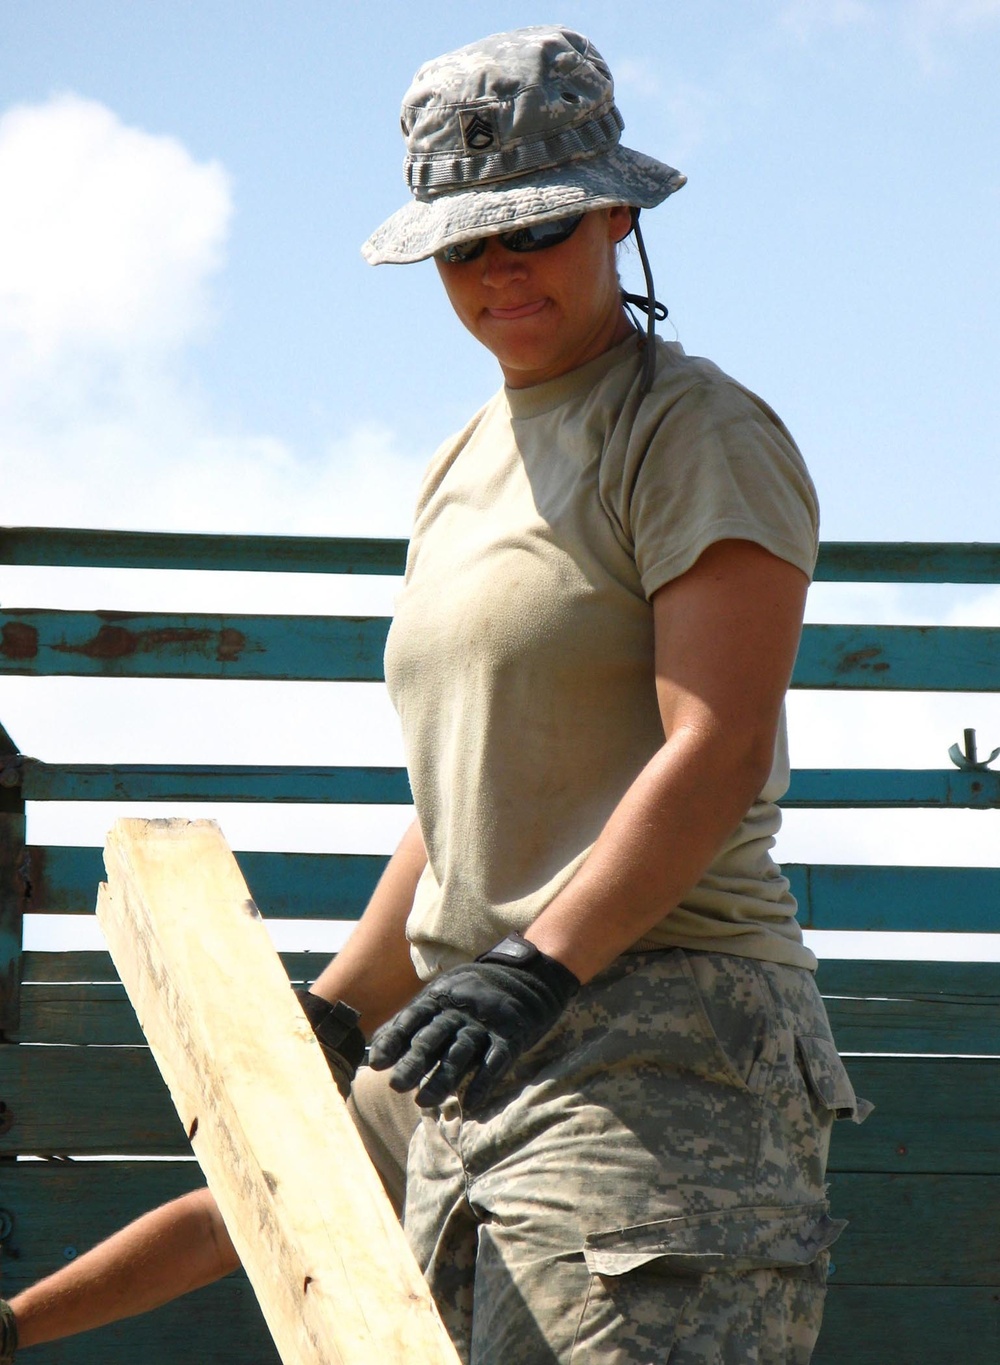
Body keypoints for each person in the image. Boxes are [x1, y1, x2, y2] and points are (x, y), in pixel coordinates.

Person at [1, 25, 869, 1365]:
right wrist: (342, 1010)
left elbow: (718, 742)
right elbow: (465, 804)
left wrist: (539, 964)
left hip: (661, 1057)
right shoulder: (463, 464)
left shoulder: (693, 432)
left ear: (616, 215)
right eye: (466, 245)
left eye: (535, 229)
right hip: (482, 1038)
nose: (499, 271)